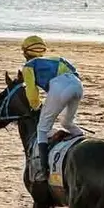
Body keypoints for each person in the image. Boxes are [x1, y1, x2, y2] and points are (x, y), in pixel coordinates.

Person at [20, 36, 83, 183]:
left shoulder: (28, 66)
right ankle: (80, 137)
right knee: (67, 122)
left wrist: (36, 106)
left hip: (59, 87)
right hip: (78, 86)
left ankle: (43, 170)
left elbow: (31, 92)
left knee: (42, 129)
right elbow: (75, 74)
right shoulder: (58, 59)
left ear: (25, 53)